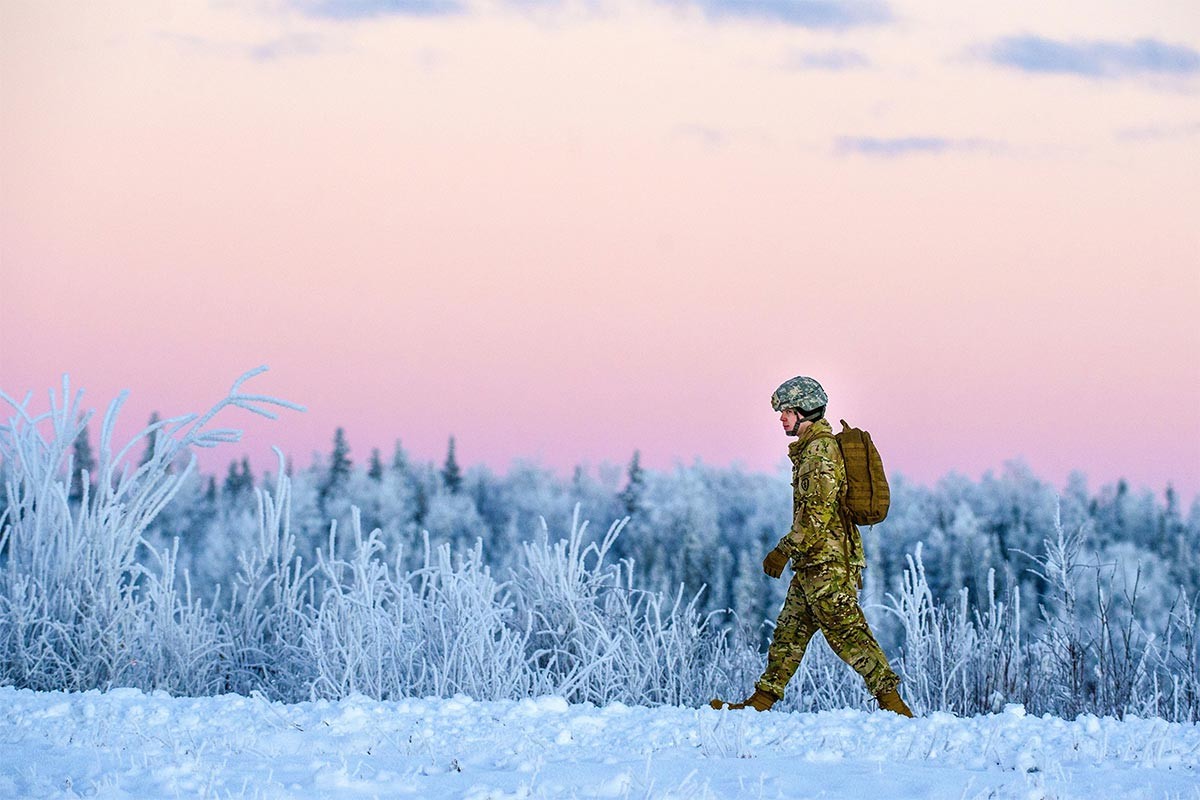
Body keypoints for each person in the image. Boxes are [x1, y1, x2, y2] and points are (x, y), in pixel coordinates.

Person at [711, 375, 913, 716]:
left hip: (828, 564)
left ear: (804, 410)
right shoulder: (809, 450)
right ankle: (758, 705)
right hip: (813, 562)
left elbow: (816, 513)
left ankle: (896, 708)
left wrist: (783, 549)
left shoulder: (820, 452)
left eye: (787, 411)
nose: (781, 418)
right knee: (788, 634)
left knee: (849, 635)